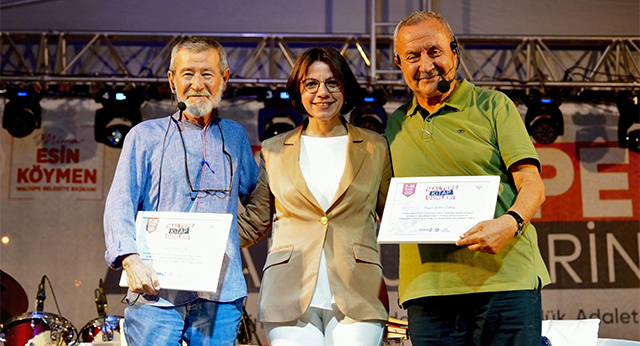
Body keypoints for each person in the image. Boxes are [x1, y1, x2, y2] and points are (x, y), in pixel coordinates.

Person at [385, 11, 551, 346]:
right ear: (399, 63)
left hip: (504, 282)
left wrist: (511, 222)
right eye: (413, 57)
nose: (426, 65)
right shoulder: (395, 125)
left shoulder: (493, 106)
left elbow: (532, 184)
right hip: (428, 290)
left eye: (435, 52)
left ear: (454, 51)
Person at [103, 37, 259, 346]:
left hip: (220, 292)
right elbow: (119, 203)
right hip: (156, 291)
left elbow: (259, 197)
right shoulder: (144, 136)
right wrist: (130, 259)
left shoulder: (236, 137)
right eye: (187, 73)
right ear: (172, 80)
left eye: (207, 73)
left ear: (224, 80)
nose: (197, 84)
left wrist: (232, 238)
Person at [238, 47, 392, 346]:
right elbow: (255, 221)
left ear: (345, 88)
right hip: (288, 292)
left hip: (358, 291)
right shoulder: (273, 149)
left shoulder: (376, 147)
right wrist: (198, 238)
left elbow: (395, 214)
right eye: (311, 83)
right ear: (299, 89)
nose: (322, 92)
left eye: (332, 82)